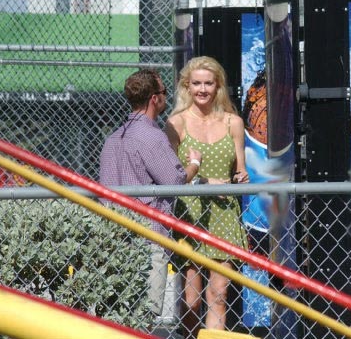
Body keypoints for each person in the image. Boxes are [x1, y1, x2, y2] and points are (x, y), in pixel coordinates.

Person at [99, 68, 202, 324]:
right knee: (145, 314)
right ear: (154, 98)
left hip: (114, 237)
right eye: (164, 91)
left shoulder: (113, 139)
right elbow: (174, 181)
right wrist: (194, 164)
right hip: (149, 238)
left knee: (117, 315)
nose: (166, 96)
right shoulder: (152, 136)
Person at [165, 56, 249, 338]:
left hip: (225, 214)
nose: (202, 89)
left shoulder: (233, 123)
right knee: (192, 300)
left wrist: (241, 178)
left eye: (208, 83)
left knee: (219, 294)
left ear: (218, 86)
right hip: (190, 215)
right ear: (187, 87)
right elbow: (170, 175)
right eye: (197, 83)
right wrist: (204, 180)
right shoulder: (176, 123)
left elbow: (241, 170)